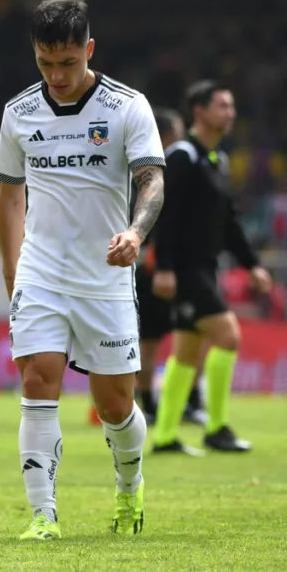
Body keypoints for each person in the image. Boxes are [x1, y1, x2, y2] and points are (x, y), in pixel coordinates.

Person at [0, 0, 165, 540]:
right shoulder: (18, 112)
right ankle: (43, 515)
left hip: (104, 276)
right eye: (46, 63)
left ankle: (128, 486)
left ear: (88, 50)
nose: (57, 75)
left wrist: (135, 232)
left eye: (67, 63)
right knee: (38, 380)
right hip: (41, 273)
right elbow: (8, 193)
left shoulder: (126, 106)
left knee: (115, 405)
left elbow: (152, 181)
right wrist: (12, 272)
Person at [151, 81, 274, 454]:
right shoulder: (183, 156)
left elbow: (229, 222)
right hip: (186, 269)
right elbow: (165, 213)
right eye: (223, 105)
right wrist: (165, 266)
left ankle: (165, 437)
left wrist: (251, 264)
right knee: (228, 336)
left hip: (205, 267)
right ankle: (216, 428)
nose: (230, 112)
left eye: (232, 105)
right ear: (199, 112)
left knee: (187, 352)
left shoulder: (215, 159)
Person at [132, 108, 206, 427]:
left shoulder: (141, 170)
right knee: (182, 336)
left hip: (152, 265)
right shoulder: (167, 169)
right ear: (165, 136)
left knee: (154, 340)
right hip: (157, 268)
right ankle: (180, 402)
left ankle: (154, 404)